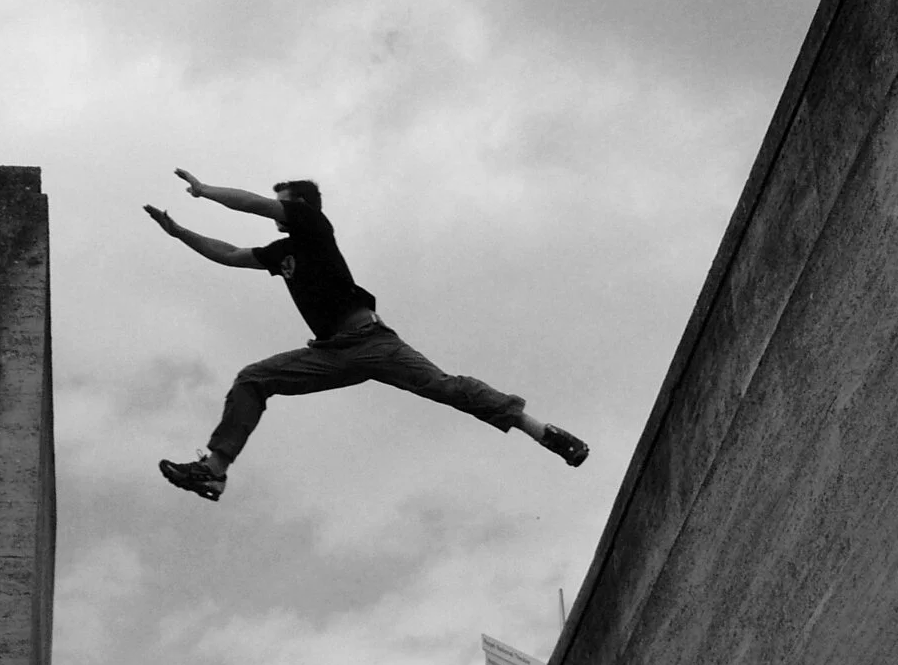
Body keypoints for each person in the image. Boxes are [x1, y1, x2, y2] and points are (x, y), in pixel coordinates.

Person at [143, 169, 589, 502]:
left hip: (374, 343)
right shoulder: (282, 252)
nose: (277, 212)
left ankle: (543, 431)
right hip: (329, 354)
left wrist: (205, 191)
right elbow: (228, 254)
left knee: (446, 387)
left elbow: (257, 204)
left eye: (283, 205)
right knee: (252, 379)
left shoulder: (314, 225)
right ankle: (214, 471)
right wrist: (179, 233)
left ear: (301, 206)